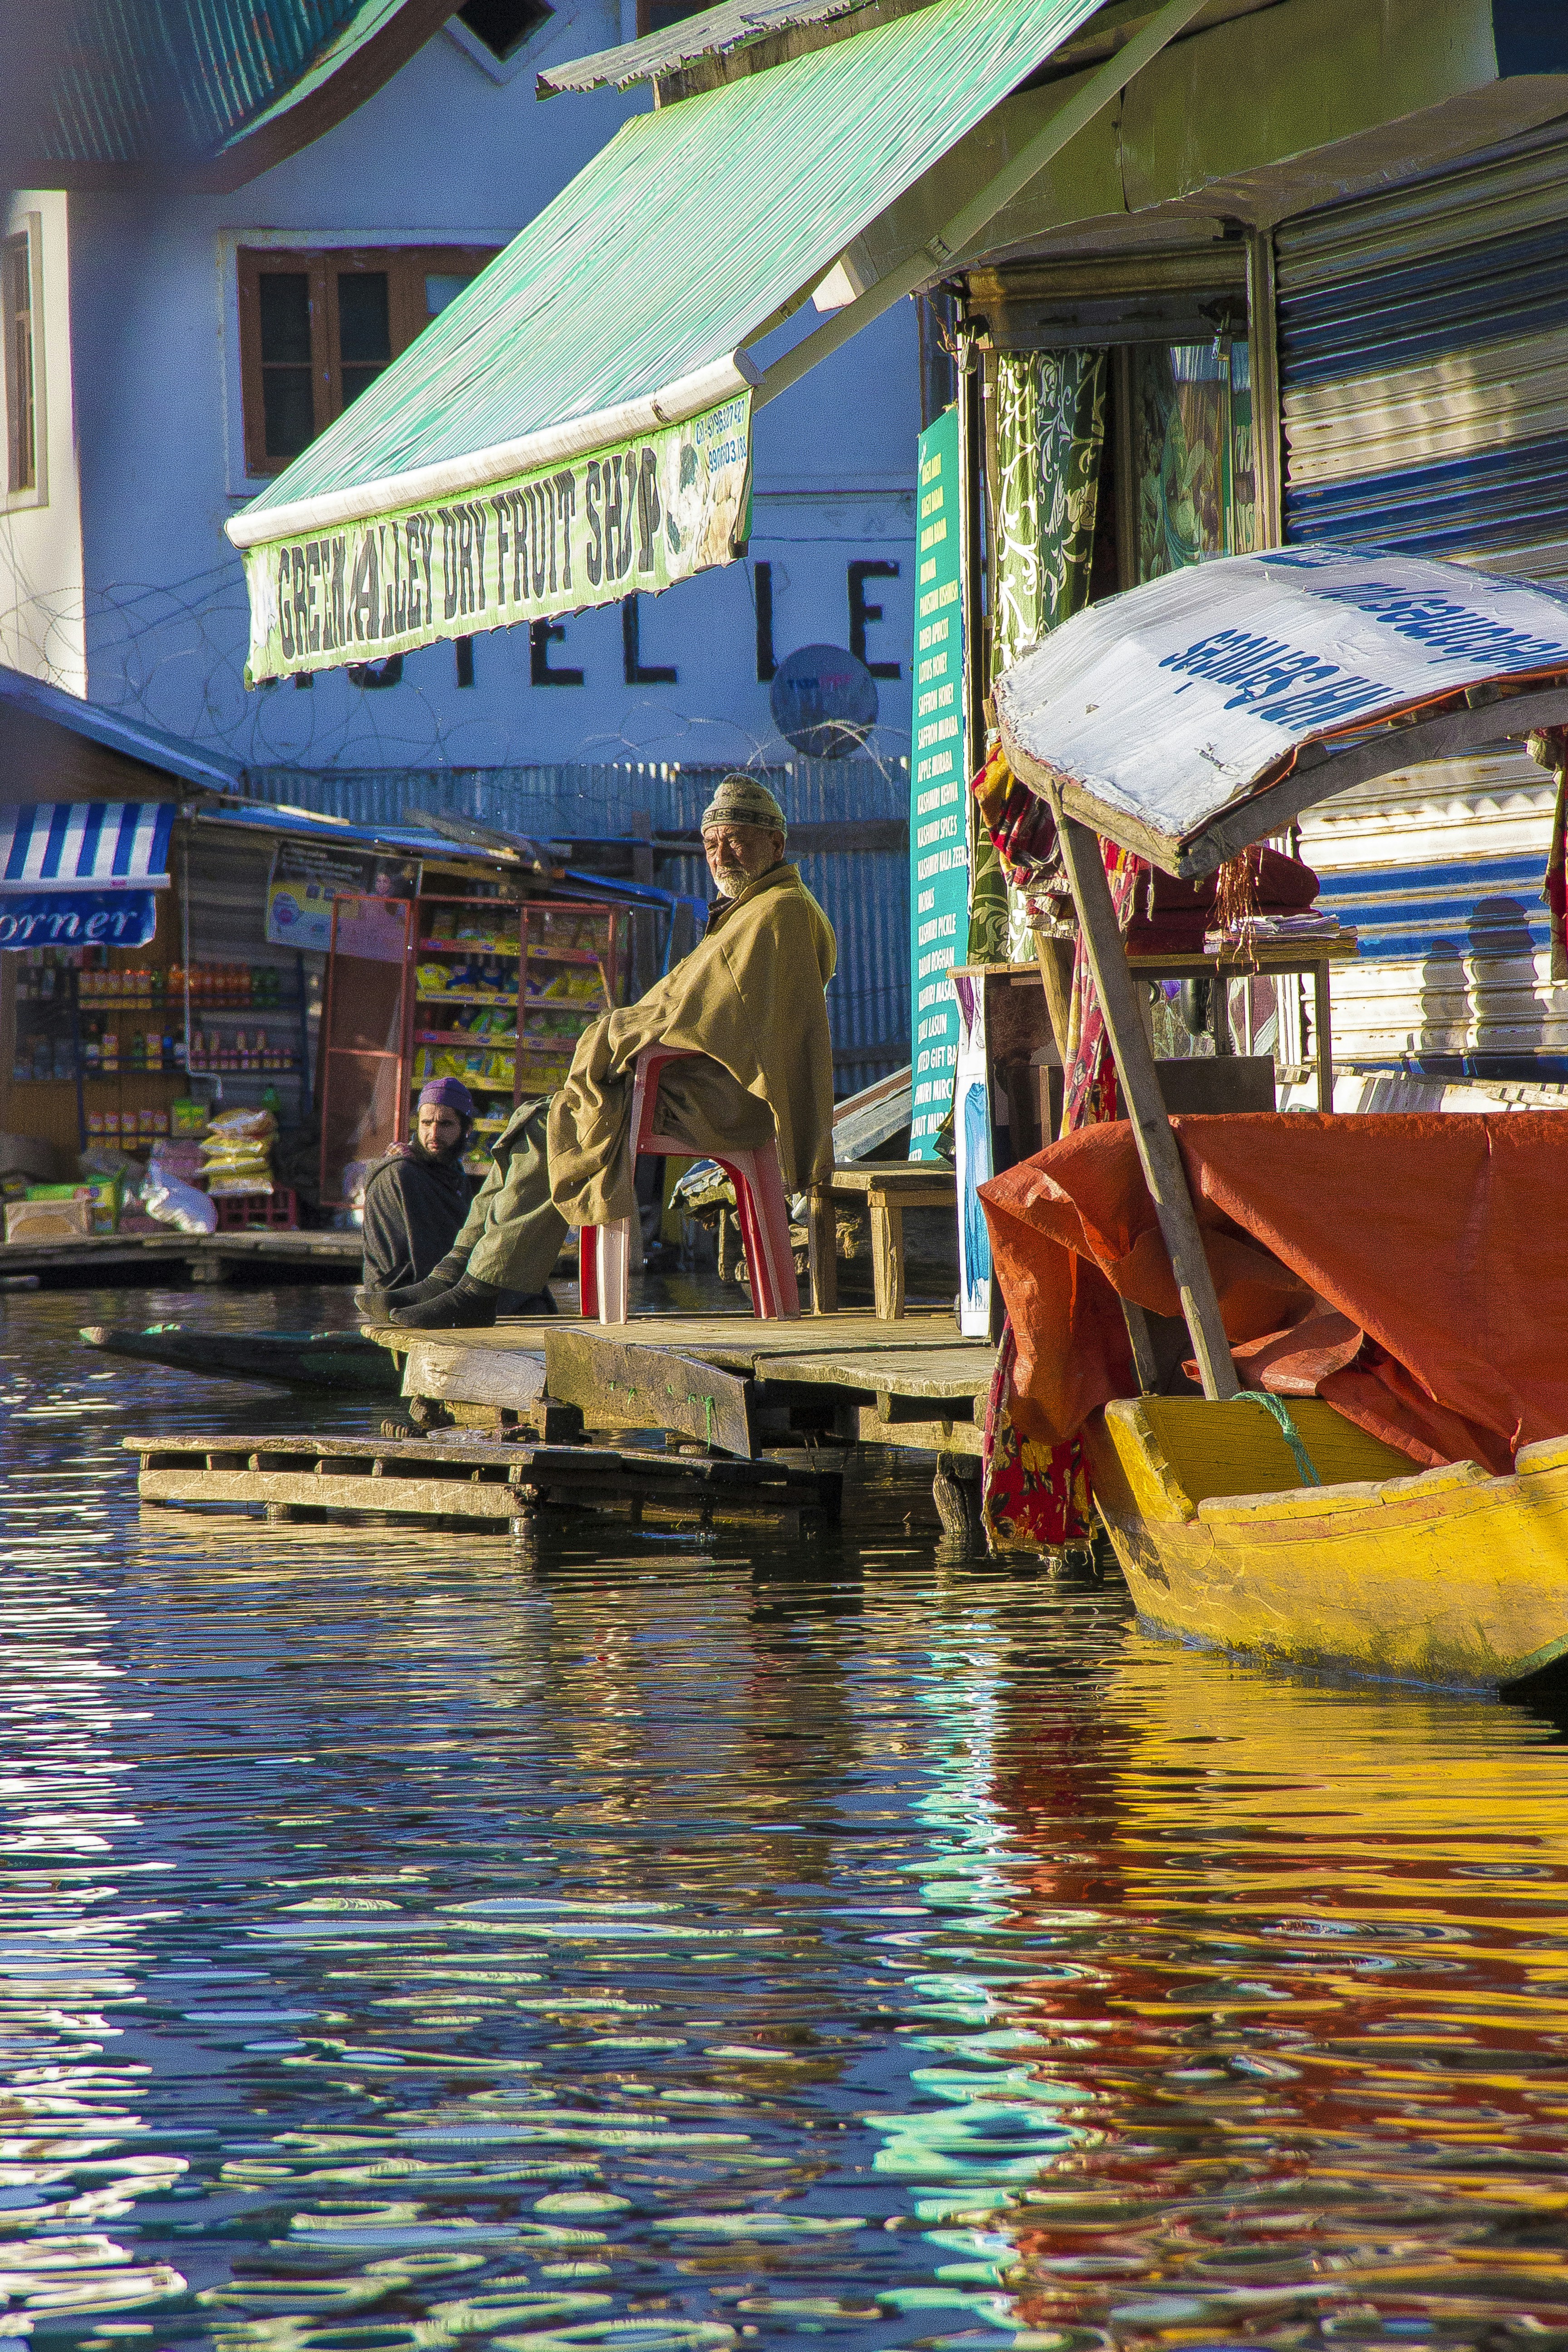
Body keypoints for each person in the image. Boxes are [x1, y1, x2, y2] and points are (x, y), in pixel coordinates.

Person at [384, 774, 837, 1330]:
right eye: (712, 842)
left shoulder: (779, 911)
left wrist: (618, 1034)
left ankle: (481, 1287)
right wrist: (625, 1032)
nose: (721, 854)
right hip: (692, 1082)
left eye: (737, 840)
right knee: (539, 1120)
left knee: (565, 1124)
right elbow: (699, 1008)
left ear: (776, 845)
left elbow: (707, 1021)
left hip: (724, 1096)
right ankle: (459, 1273)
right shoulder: (747, 909)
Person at [356, 1078, 480, 1316]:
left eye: (445, 1124)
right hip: (397, 1292)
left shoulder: (456, 1175)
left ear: (467, 1130)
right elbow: (411, 1260)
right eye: (426, 1123)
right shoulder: (401, 1174)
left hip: (439, 1284)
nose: (434, 1133)